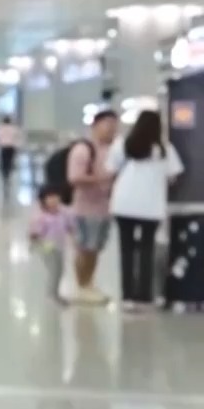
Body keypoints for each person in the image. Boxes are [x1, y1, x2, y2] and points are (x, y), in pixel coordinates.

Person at [106, 110, 184, 311]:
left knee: (126, 250)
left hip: (124, 203)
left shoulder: (123, 144)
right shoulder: (164, 149)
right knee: (146, 250)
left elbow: (110, 170)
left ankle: (127, 296)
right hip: (151, 205)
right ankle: (144, 296)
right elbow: (174, 175)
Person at [66, 110, 121, 306]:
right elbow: (74, 178)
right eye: (107, 125)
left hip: (105, 208)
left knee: (95, 248)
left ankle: (89, 283)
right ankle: (81, 285)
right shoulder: (83, 149)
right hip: (85, 209)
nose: (111, 129)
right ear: (95, 126)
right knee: (85, 248)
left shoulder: (114, 150)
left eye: (114, 126)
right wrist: (102, 179)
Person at [29, 188, 72, 303]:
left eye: (55, 196)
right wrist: (35, 245)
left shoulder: (63, 213)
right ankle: (51, 295)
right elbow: (34, 234)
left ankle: (55, 293)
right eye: (50, 197)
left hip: (59, 246)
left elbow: (69, 227)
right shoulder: (41, 217)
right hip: (47, 247)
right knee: (53, 270)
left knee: (60, 270)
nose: (53, 200)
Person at [0, 115, 22, 191]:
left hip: (3, 147)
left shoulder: (0, 128)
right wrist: (17, 147)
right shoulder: (14, 128)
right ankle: (8, 175)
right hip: (11, 147)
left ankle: (5, 176)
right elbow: (17, 138)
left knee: (4, 162)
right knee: (10, 162)